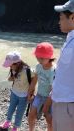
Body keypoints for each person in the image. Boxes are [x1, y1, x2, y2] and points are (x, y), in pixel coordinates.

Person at [51, 1, 74, 131]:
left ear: (73, 17)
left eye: (61, 18)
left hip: (68, 104)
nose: (59, 22)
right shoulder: (70, 38)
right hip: (62, 102)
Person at [0, 51, 34, 131]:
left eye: (10, 65)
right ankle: (7, 121)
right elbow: (10, 79)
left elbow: (34, 79)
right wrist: (12, 77)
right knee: (11, 108)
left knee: (20, 112)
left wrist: (31, 93)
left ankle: (15, 127)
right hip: (14, 93)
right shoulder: (14, 69)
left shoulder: (28, 71)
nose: (10, 67)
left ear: (17, 63)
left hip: (24, 96)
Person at [28, 42, 55, 131]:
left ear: (50, 57)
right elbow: (34, 81)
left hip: (50, 98)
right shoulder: (39, 66)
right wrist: (30, 93)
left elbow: (53, 90)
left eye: (42, 58)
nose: (39, 60)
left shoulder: (53, 71)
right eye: (37, 57)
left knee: (49, 119)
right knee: (31, 115)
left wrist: (46, 105)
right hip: (39, 95)